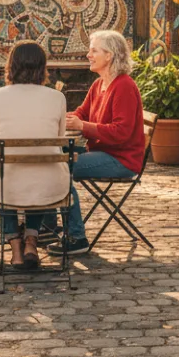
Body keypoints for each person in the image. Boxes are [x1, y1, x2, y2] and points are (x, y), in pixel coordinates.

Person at [50, 30, 146, 256]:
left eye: (94, 50)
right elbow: (81, 113)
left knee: (59, 167)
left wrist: (83, 127)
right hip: (102, 152)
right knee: (48, 156)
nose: (88, 55)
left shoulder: (123, 86)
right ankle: (48, 227)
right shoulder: (99, 84)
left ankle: (76, 237)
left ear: (109, 56)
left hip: (121, 160)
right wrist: (51, 117)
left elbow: (121, 132)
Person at [0, 40, 69, 271]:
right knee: (38, 173)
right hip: (51, 183)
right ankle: (31, 242)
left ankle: (15, 251)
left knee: (6, 178)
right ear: (43, 67)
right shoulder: (57, 98)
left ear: (10, 66)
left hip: (9, 182)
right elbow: (59, 137)